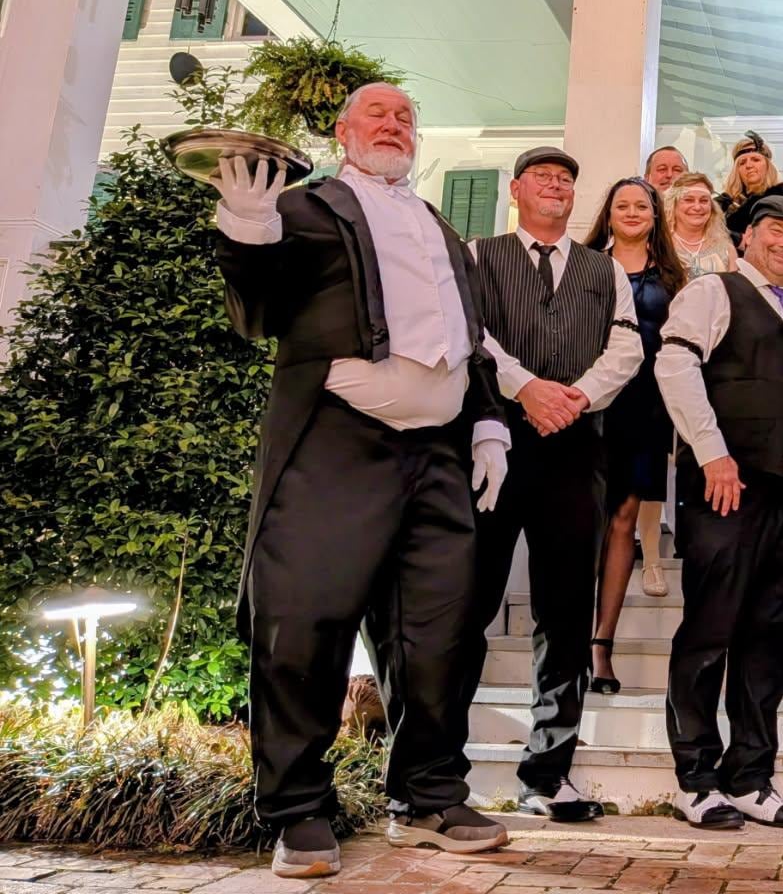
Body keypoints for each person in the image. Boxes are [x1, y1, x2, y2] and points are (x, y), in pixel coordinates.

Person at [212, 82, 510, 877]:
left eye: (406, 115)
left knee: (441, 631)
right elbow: (257, 313)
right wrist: (247, 227)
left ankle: (428, 795)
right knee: (304, 623)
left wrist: (486, 422)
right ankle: (298, 811)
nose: (394, 124)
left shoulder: (443, 227)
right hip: (338, 444)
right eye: (376, 113)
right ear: (343, 131)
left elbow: (468, 338)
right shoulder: (307, 208)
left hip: (440, 453)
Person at [461, 146, 645, 823]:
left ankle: (549, 772)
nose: (555, 186)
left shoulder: (605, 270)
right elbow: (471, 332)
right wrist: (526, 388)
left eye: (567, 179)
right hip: (493, 438)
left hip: (575, 445)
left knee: (564, 610)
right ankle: (441, 765)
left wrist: (574, 396)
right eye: (542, 176)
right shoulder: (480, 256)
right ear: (515, 190)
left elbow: (627, 347)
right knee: (469, 598)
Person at [655, 195, 783, 830]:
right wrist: (711, 453)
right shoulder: (713, 292)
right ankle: (695, 780)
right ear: (748, 236)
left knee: (768, 642)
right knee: (710, 632)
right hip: (726, 487)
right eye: (776, 233)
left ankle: (751, 776)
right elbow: (674, 364)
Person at [585, 179, 689, 695]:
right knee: (586, 518)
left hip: (645, 405)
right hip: (586, 404)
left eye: (641, 205)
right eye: (621, 204)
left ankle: (602, 645)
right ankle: (568, 636)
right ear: (608, 213)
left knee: (625, 516)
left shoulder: (673, 276)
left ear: (655, 215)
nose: (631, 212)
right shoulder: (584, 262)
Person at [717, 132, 783, 245]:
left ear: (767, 166)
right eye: (742, 163)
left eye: (755, 159)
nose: (749, 166)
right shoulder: (728, 202)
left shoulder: (780, 197)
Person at [667, 172, 739, 279]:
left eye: (704, 201)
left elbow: (735, 292)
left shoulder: (727, 250)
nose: (697, 207)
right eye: (689, 200)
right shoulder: (661, 245)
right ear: (674, 204)